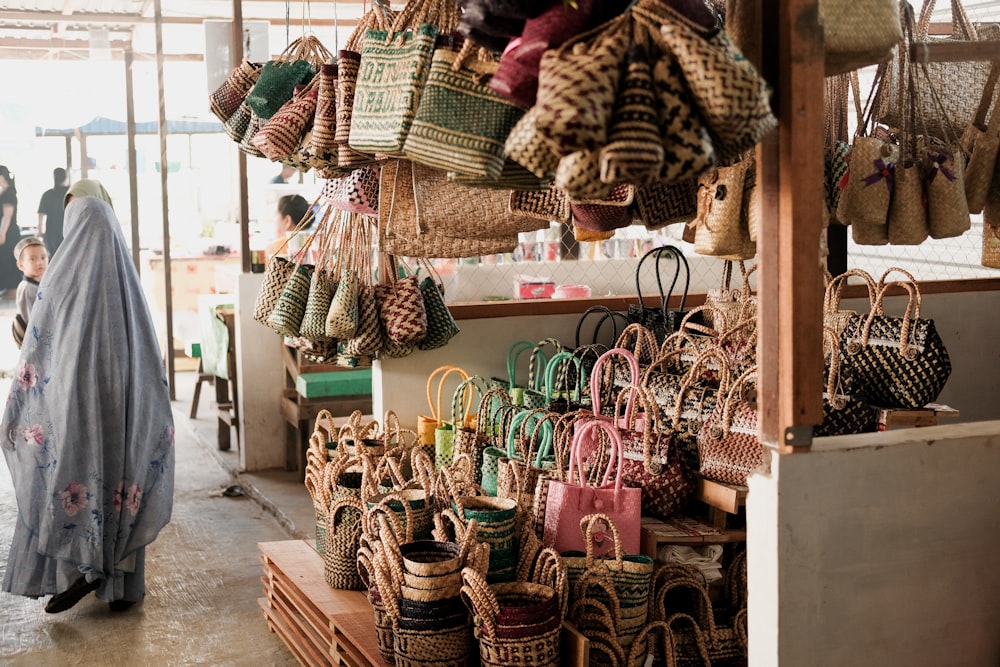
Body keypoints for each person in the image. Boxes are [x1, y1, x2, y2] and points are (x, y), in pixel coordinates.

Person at [1, 189, 175, 614]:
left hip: (75, 407)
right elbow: (151, 358)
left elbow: (38, 347)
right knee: (122, 484)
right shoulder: (126, 282)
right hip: (126, 410)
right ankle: (120, 588)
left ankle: (80, 569)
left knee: (75, 479)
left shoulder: (61, 277)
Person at [13, 236, 48, 323]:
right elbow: (31, 321)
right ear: (21, 265)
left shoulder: (43, 283)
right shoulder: (27, 288)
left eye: (43, 258)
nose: (40, 262)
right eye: (32, 259)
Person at [266, 193, 312, 259]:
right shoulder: (316, 243)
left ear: (287, 221)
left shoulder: (275, 248)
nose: (274, 223)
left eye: (276, 216)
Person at [37, 168, 69, 257]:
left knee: (54, 257)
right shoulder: (70, 193)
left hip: (51, 231)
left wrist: (40, 231)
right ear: (66, 178)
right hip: (68, 228)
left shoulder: (47, 194)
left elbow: (41, 215)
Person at [0, 166, 22, 293]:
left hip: (9, 232)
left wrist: (2, 234)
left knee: (8, 258)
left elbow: (7, 216)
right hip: (6, 231)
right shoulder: (4, 192)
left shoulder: (9, 192)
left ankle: (12, 289)